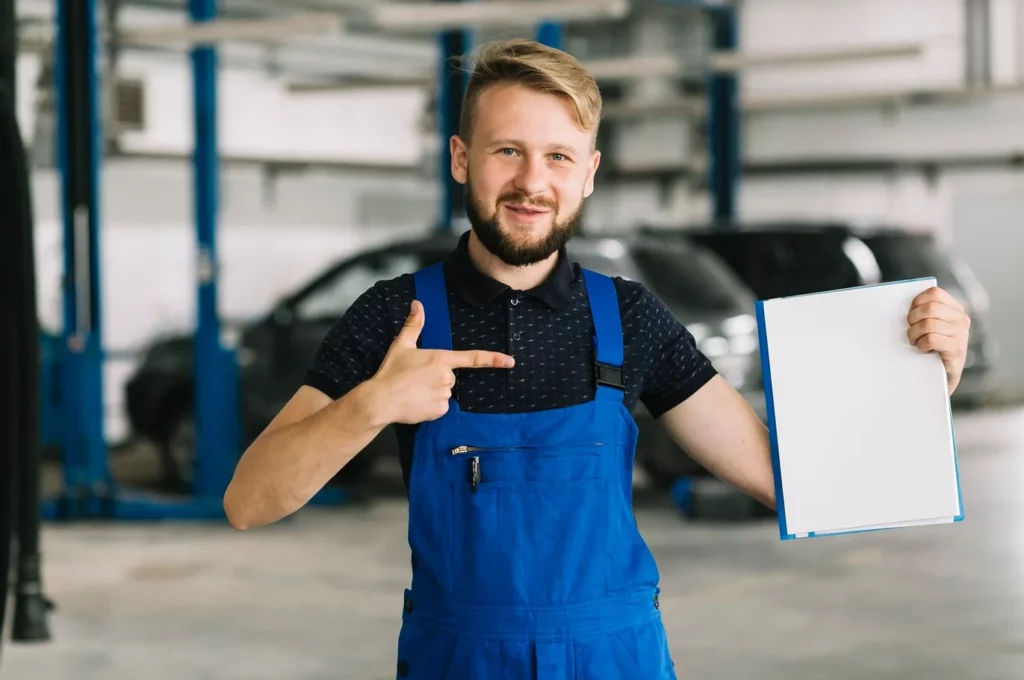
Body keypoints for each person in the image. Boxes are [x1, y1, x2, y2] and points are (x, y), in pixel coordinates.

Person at [222, 39, 973, 679]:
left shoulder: (631, 318)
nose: (531, 182)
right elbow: (249, 502)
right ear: (460, 159)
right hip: (460, 659)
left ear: (589, 172)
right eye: (506, 151)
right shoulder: (395, 317)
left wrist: (917, 381)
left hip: (617, 658)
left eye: (558, 156)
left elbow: (797, 485)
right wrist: (373, 404)